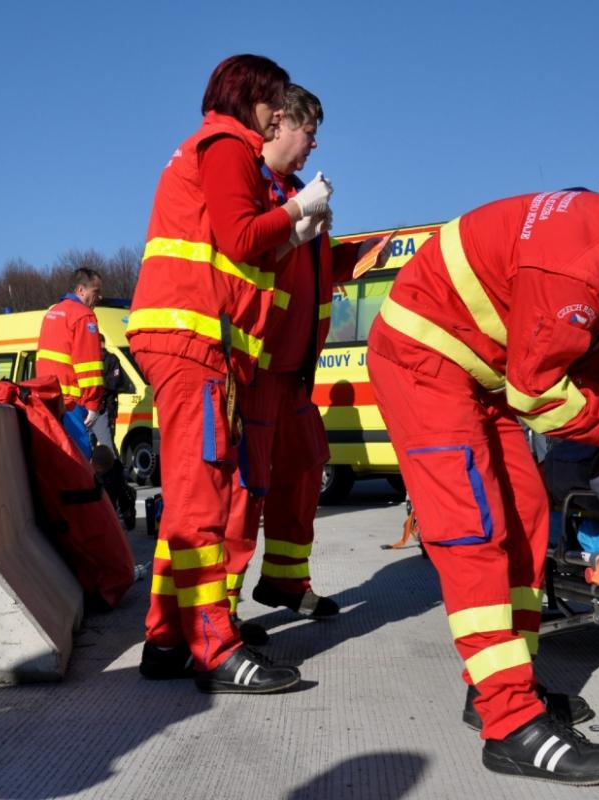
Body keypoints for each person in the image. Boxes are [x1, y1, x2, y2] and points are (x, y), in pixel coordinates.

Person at [366, 173, 599, 785]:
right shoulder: (580, 260)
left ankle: (498, 686)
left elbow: (568, 342)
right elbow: (540, 395)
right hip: (426, 366)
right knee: (475, 534)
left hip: (480, 373)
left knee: (524, 522)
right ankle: (510, 726)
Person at [128, 54, 332, 694]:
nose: (277, 116)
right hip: (193, 341)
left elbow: (236, 243)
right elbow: (242, 239)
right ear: (254, 98)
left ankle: (166, 639)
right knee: (204, 497)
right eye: (274, 102)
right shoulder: (225, 143)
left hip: (198, 342)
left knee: (195, 492)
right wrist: (302, 210)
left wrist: (294, 234)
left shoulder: (217, 146)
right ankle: (215, 645)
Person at [222, 85, 386, 638]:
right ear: (279, 124)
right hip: (258, 364)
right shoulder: (253, 187)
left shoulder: (297, 192)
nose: (314, 144)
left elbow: (300, 266)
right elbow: (250, 252)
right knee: (247, 487)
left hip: (295, 371)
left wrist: (347, 257)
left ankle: (286, 580)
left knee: (305, 467)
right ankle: (218, 611)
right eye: (309, 131)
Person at [37, 268, 105, 440]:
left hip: (48, 400)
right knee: (79, 460)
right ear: (81, 290)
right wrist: (93, 403)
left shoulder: (52, 313)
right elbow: (89, 366)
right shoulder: (84, 316)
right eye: (95, 292)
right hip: (73, 404)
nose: (99, 297)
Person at [88, 333, 126, 459]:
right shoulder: (89, 359)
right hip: (90, 408)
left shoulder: (111, 359)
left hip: (105, 408)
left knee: (108, 445)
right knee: (89, 446)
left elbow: (115, 382)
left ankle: (115, 472)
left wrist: (97, 385)